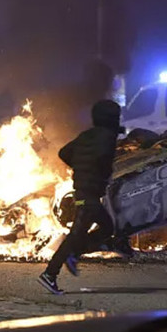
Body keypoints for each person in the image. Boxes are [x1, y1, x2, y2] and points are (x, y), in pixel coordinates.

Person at [38, 99, 119, 295]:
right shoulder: (107, 138)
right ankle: (50, 273)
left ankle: (72, 254)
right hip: (88, 194)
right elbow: (102, 157)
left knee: (107, 227)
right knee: (77, 234)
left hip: (82, 191)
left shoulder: (87, 135)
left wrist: (79, 166)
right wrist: (98, 170)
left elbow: (64, 152)